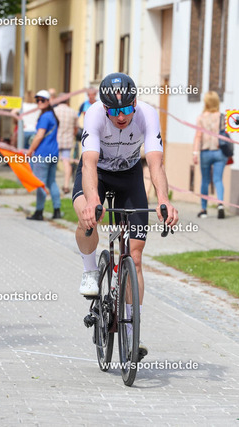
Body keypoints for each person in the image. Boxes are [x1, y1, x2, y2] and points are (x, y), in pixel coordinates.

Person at [73, 73, 179, 359]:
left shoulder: (147, 114)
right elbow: (89, 164)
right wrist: (93, 202)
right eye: (114, 111)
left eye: (125, 109)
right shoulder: (94, 114)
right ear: (105, 108)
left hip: (129, 175)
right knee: (86, 218)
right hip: (97, 174)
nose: (120, 117)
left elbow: (155, 163)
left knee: (136, 255)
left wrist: (164, 200)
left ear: (134, 103)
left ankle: (132, 332)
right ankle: (90, 271)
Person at [26, 90, 62, 220]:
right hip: (53, 153)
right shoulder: (52, 115)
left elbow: (39, 135)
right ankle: (57, 211)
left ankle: (39, 212)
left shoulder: (45, 117)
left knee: (40, 183)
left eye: (42, 100)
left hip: (43, 154)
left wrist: (30, 150)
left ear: (48, 101)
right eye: (38, 100)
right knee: (52, 182)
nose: (39, 102)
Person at [192, 91, 228, 219]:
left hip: (205, 152)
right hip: (220, 151)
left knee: (205, 180)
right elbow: (226, 135)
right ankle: (220, 204)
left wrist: (195, 152)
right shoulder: (222, 117)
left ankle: (204, 209)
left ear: (206, 102)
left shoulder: (201, 118)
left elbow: (198, 136)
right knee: (218, 179)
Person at [53, 93, 79, 194]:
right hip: (68, 141)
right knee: (66, 162)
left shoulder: (54, 111)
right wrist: (72, 135)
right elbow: (76, 128)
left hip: (55, 140)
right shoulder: (73, 112)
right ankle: (66, 185)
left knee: (52, 162)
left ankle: (51, 184)